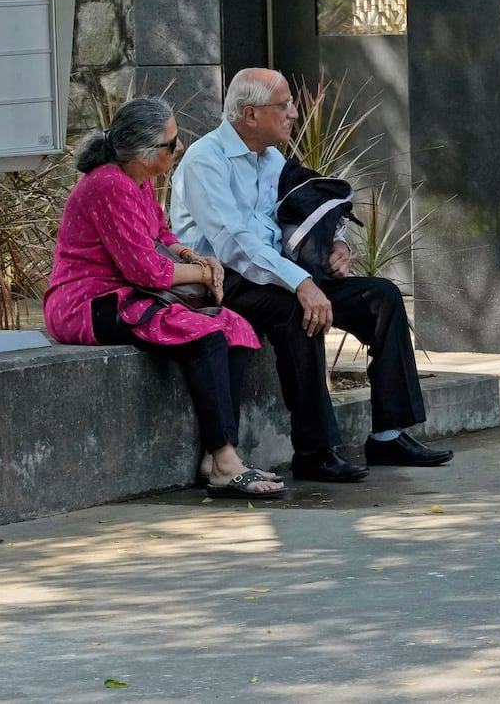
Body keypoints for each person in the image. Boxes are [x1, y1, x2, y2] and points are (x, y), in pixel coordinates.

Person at [171, 69, 452, 481]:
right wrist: (302, 283)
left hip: (277, 274)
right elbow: (235, 244)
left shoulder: (271, 157)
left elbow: (296, 211)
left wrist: (336, 244)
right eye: (283, 105)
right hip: (223, 284)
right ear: (250, 114)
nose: (294, 113)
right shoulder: (205, 161)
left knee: (381, 296)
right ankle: (314, 450)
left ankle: (390, 435)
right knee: (295, 310)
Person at [45, 97, 287, 500]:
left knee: (236, 327)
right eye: (171, 144)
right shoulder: (108, 185)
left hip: (131, 294)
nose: (179, 150)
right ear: (143, 153)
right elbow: (146, 270)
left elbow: (163, 235)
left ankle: (218, 458)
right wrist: (205, 273)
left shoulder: (137, 179)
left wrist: (194, 257)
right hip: (88, 304)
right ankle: (226, 461)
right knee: (206, 335)